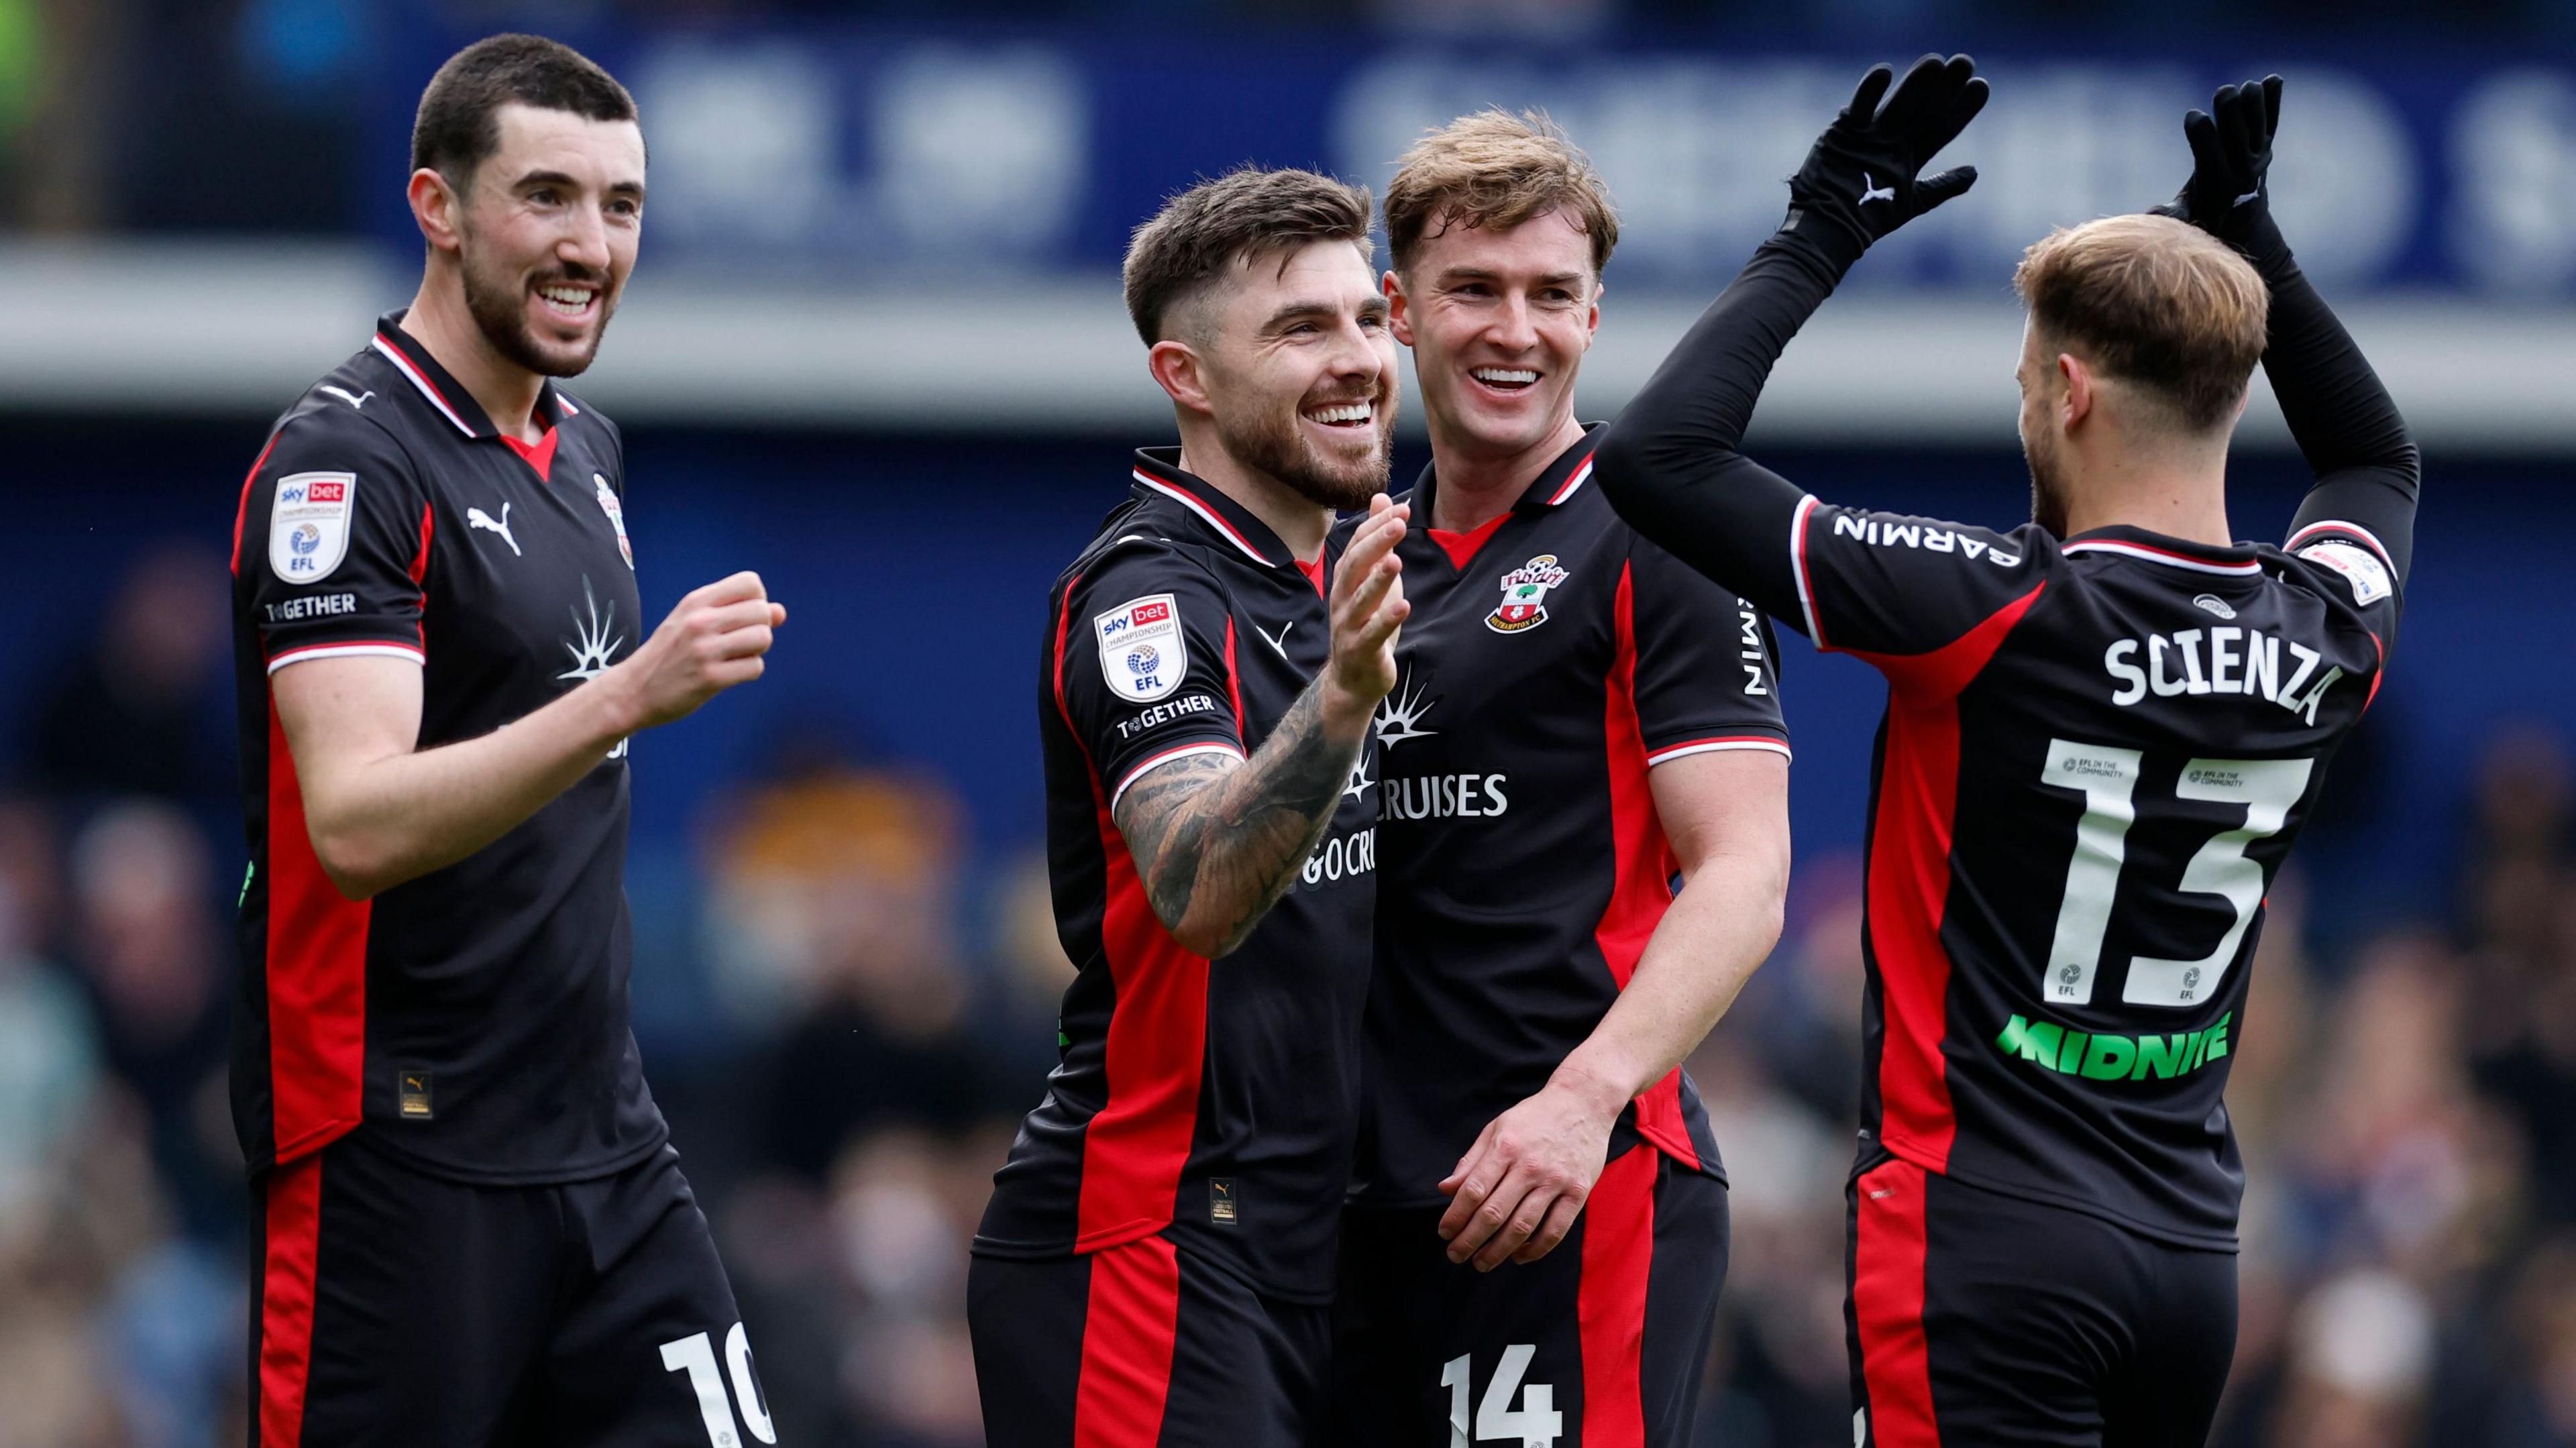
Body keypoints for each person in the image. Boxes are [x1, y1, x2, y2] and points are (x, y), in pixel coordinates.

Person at [1597, 58, 2418, 1448]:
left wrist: (1821, 227)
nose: (2023, 406)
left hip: (1980, 1241)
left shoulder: (1995, 608)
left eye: (2028, 380)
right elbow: (2376, 459)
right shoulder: (2325, 628)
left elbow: (1659, 456)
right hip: (2189, 1257)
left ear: (2074, 391)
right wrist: (2255, 246)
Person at [229, 35, 787, 1447]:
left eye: (622, 205)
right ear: (439, 207)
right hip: (395, 1149)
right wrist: (625, 698)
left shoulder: (582, 448)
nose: (591, 245)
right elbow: (352, 824)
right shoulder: (349, 461)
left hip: (604, 1135)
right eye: (548, 197)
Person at [1330, 111, 1793, 1448]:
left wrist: (1583, 1103)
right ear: (1398, 310)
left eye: (1551, 296)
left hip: (1569, 1187)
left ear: (1595, 316)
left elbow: (1745, 870)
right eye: (1473, 289)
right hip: (1356, 1208)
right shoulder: (1357, 560)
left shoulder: (1662, 536)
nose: (1513, 332)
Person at [967, 167, 1410, 1448]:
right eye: (1299, 330)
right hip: (1148, 1242)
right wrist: (1339, 701)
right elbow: (1200, 891)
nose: (1357, 361)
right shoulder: (1145, 599)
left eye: (1365, 320)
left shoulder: (1335, 577)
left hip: (1305, 1249)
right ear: (1187, 378)